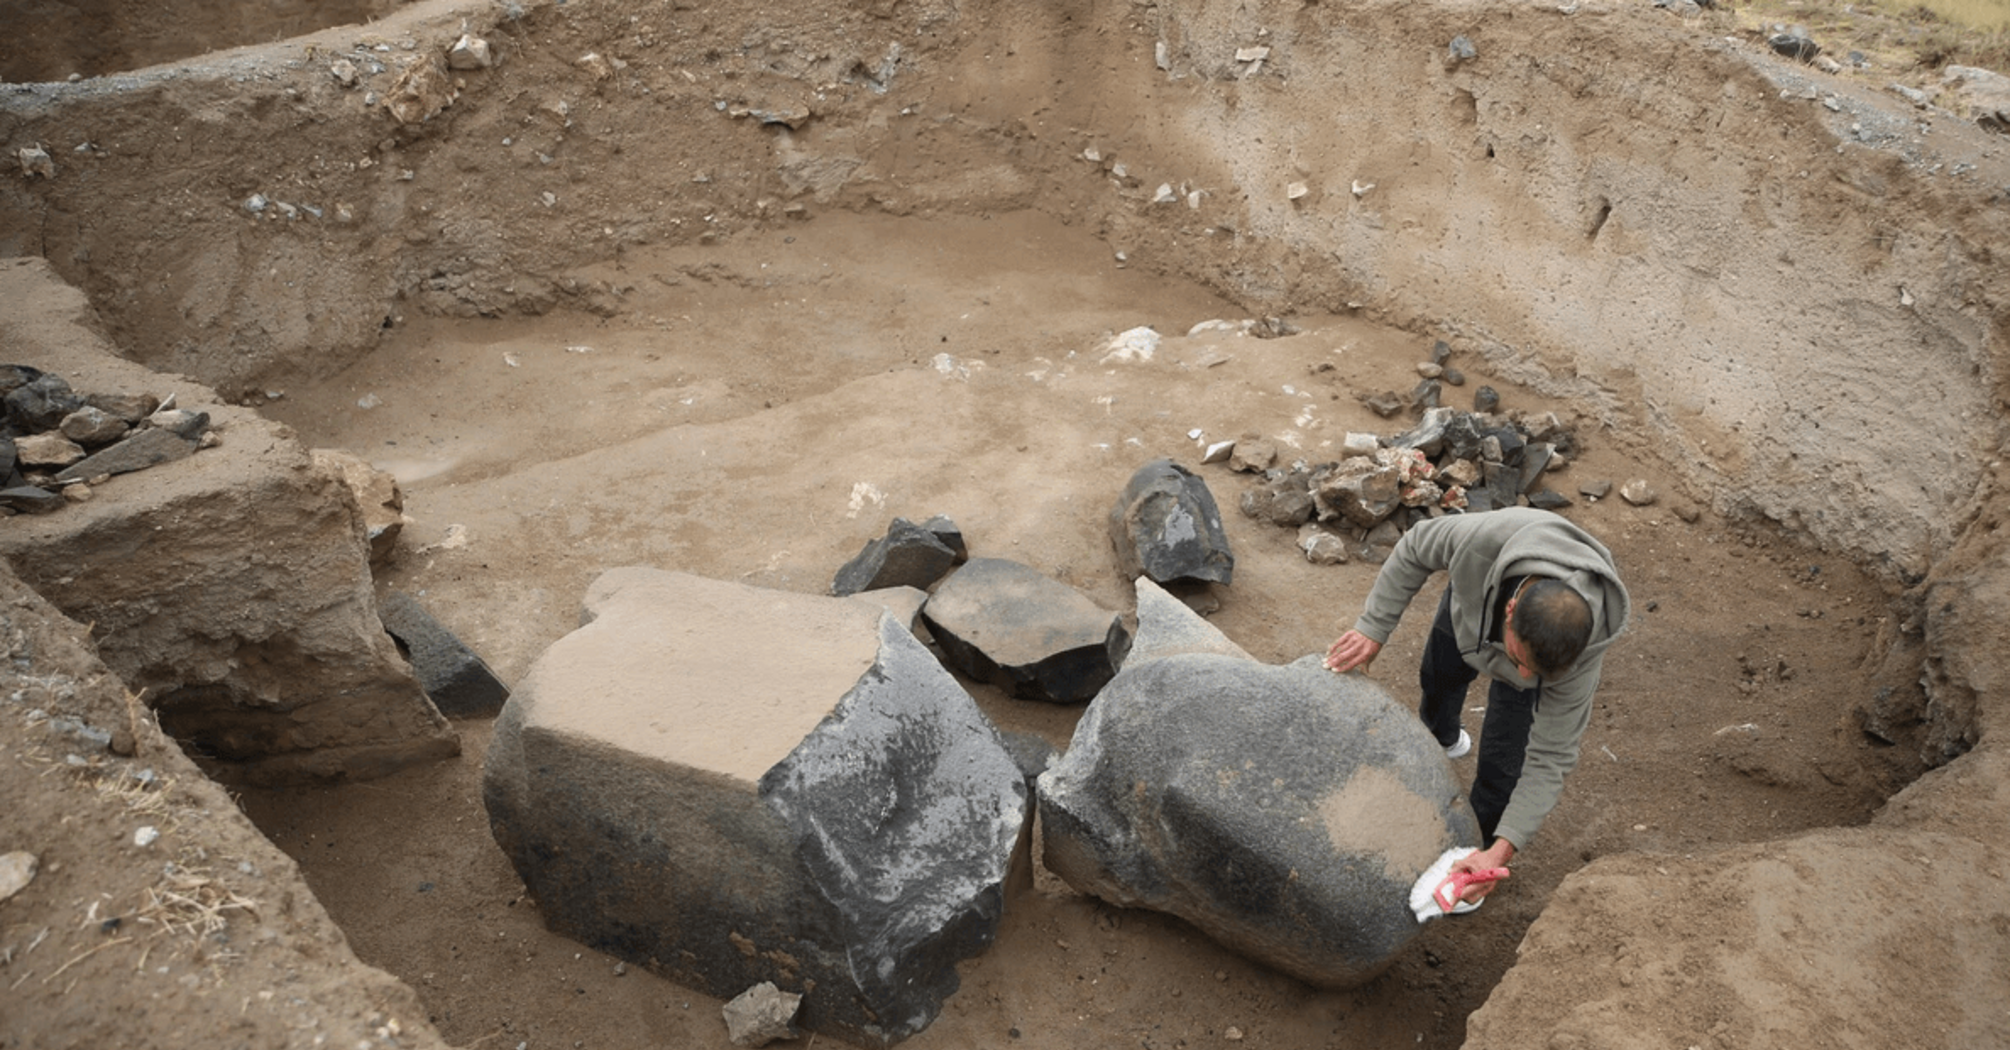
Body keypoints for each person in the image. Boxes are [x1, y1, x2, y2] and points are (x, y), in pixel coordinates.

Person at [1324, 507, 1629, 909]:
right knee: (1438, 681)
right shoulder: (1482, 541)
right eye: (1519, 660)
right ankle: (1443, 739)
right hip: (1471, 606)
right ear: (1510, 611)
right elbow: (1415, 545)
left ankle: (1472, 854)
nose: (1521, 676)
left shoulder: (1579, 657)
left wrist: (1502, 850)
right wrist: (1373, 627)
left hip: (1515, 637)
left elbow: (1551, 758)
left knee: (1504, 764)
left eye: (1534, 673)